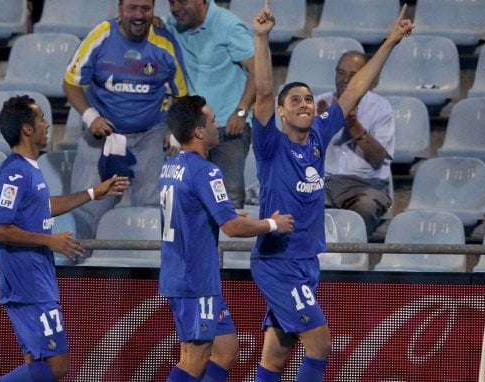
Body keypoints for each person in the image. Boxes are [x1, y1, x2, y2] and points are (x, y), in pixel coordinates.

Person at [250, 1, 413, 380]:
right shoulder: (270, 144)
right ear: (282, 113)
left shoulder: (320, 135)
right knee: (320, 343)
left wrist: (390, 41)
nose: (305, 104)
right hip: (279, 263)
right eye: (296, 101)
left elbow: (356, 88)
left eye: (308, 99)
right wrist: (261, 38)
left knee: (275, 356)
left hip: (306, 260)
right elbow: (262, 93)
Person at [0, 95, 130, 381]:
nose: (47, 123)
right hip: (28, 282)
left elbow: (44, 207)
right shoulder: (14, 173)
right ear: (27, 129)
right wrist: (49, 240)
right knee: (56, 366)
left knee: (38, 365)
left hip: (34, 278)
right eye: (41, 118)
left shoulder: (29, 170)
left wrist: (93, 193)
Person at [159, 95, 294, 381]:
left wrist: (223, 213)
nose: (217, 125)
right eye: (212, 121)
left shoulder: (171, 164)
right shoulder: (206, 170)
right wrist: (272, 223)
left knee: (226, 349)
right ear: (199, 132)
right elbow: (232, 228)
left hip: (187, 274)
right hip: (195, 279)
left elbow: (191, 209)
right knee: (193, 361)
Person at [63, 0, 188, 240]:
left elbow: (181, 95)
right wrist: (91, 117)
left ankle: (150, 272)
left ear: (153, 10)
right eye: (132, 8)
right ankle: (82, 273)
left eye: (146, 8)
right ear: (120, 9)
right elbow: (70, 84)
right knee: (87, 208)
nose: (139, 15)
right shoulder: (100, 36)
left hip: (150, 135)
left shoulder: (165, 43)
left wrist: (173, 132)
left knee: (155, 210)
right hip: (102, 137)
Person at [163, 0, 256, 209]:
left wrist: (241, 112)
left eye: (182, 2)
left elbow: (257, 71)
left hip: (227, 127)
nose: (176, 8)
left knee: (228, 199)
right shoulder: (171, 25)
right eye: (171, 2)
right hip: (190, 128)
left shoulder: (229, 26)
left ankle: (227, 243)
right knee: (186, 198)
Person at [315, 51, 395, 238]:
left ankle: (346, 261)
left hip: (366, 186)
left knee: (364, 210)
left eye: (353, 75)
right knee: (301, 203)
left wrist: (353, 124)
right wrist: (324, 125)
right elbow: (303, 152)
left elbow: (378, 157)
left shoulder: (381, 108)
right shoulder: (319, 103)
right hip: (324, 182)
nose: (344, 80)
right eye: (341, 73)